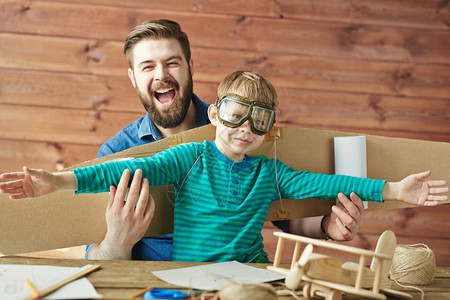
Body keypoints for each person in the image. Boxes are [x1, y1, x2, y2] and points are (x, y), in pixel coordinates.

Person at [1, 71, 448, 263]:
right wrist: (57, 181)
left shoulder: (270, 173)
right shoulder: (188, 157)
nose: (245, 128)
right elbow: (119, 169)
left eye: (260, 119)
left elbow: (331, 180)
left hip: (252, 273)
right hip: (189, 277)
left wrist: (393, 189)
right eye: (236, 113)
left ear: (269, 128)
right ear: (215, 113)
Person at [76, 19, 368, 261]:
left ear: (190, 66)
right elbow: (98, 259)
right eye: (147, 66)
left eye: (172, 63)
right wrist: (116, 242)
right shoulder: (117, 152)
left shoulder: (240, 130)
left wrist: (328, 226)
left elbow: (285, 213)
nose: (161, 75)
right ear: (133, 78)